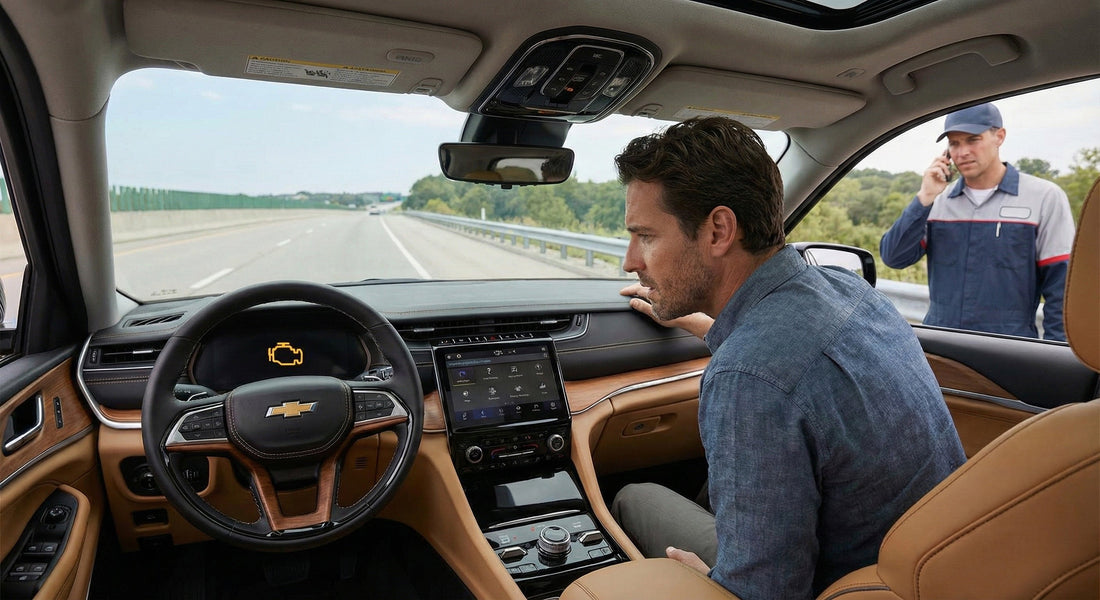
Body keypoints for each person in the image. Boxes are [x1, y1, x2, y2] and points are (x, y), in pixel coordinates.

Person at [609, 116, 965, 599]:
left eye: (646, 236)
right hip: (922, 573)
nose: (631, 260)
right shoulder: (848, 291)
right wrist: (705, 327)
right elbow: (785, 349)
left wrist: (703, 582)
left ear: (718, 230)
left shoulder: (749, 378)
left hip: (833, 587)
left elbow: (764, 592)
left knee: (635, 497)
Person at [879, 102, 1075, 340]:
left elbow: (1062, 287)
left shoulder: (1044, 197)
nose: (962, 152)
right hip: (942, 344)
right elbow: (894, 258)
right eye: (954, 143)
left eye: (973, 140)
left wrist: (1058, 359)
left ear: (999, 136)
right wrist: (925, 197)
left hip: (1008, 347)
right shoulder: (937, 202)